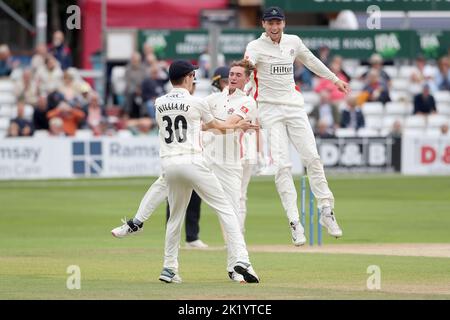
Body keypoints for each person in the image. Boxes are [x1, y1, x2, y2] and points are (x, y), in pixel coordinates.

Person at [112, 60, 260, 284]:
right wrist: (238, 126)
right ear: (189, 77)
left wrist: (226, 125)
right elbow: (217, 127)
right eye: (193, 77)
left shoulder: (158, 103)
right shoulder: (197, 102)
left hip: (170, 164)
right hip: (193, 162)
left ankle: (167, 266)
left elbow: (192, 125)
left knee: (174, 218)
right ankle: (242, 260)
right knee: (228, 210)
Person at [244, 6, 346, 244]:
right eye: (270, 23)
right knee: (282, 166)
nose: (274, 26)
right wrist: (245, 79)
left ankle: (326, 210)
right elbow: (249, 65)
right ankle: (294, 222)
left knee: (312, 158)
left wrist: (335, 80)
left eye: (277, 22)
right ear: (263, 25)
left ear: (284, 23)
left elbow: (311, 61)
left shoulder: (293, 41)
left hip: (294, 106)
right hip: (269, 109)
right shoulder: (255, 46)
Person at [165, 77, 208, 250]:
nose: (193, 86)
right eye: (192, 82)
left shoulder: (196, 103)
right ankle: (172, 239)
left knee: (195, 200)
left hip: (193, 158)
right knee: (173, 201)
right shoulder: (176, 104)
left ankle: (192, 237)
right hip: (178, 156)